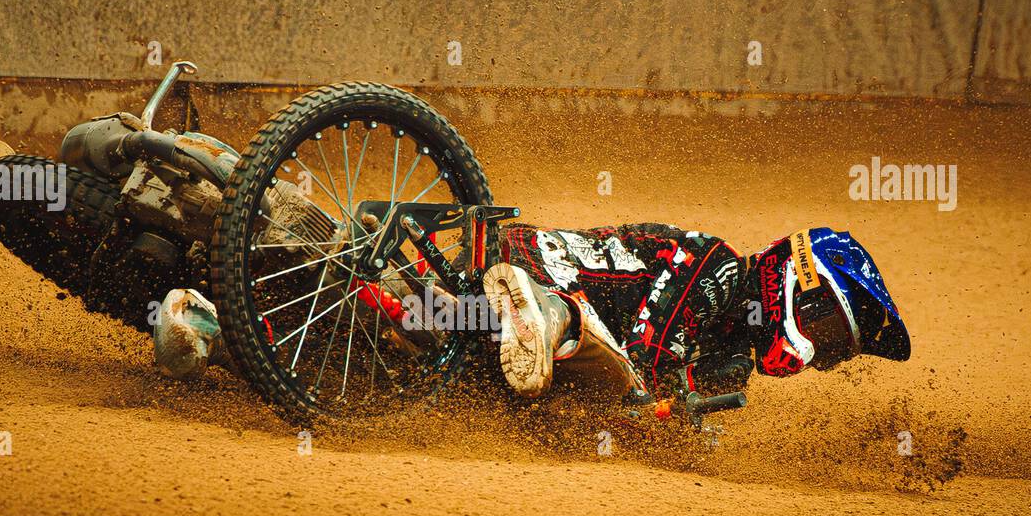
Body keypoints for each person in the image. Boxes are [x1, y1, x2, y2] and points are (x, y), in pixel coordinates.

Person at [154, 214, 911, 413]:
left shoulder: (730, 359)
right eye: (829, 330)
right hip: (534, 269)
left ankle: (213, 327)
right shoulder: (716, 269)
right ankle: (540, 314)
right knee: (627, 376)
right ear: (796, 283)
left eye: (838, 349)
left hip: (504, 334)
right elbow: (651, 350)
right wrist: (667, 412)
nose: (824, 352)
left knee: (384, 362)